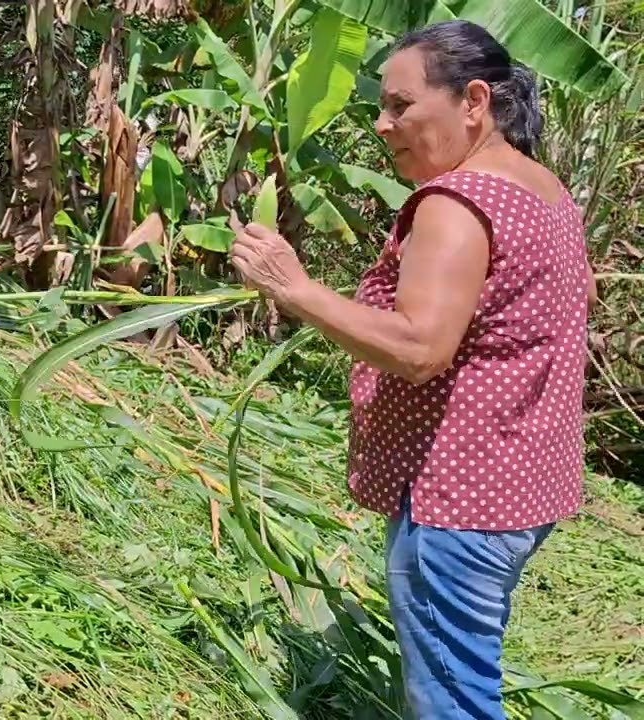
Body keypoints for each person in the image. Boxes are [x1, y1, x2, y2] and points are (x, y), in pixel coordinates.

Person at [227, 19, 597, 720]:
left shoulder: (457, 207)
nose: (381, 124)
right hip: (522, 486)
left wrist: (295, 289)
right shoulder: (543, 187)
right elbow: (576, 294)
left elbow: (419, 349)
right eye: (382, 105)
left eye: (401, 106)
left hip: (459, 500)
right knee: (460, 669)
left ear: (474, 101)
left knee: (453, 699)